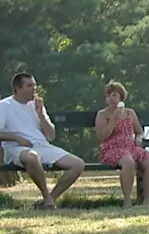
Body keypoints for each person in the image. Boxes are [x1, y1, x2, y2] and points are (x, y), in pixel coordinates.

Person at [0, 72, 85, 209]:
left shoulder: (37, 105)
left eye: (35, 85)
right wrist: (16, 138)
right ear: (18, 88)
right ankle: (47, 198)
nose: (34, 89)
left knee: (78, 164)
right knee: (32, 157)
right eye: (29, 86)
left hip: (41, 146)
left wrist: (41, 116)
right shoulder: (5, 106)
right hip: (16, 148)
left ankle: (50, 199)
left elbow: (51, 136)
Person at [94, 81, 149, 207]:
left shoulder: (130, 113)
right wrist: (113, 120)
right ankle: (127, 200)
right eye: (108, 96)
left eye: (114, 95)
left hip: (130, 147)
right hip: (112, 148)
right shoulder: (102, 114)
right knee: (128, 162)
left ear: (121, 97)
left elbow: (139, 132)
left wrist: (139, 138)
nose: (111, 99)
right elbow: (102, 136)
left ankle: (147, 200)